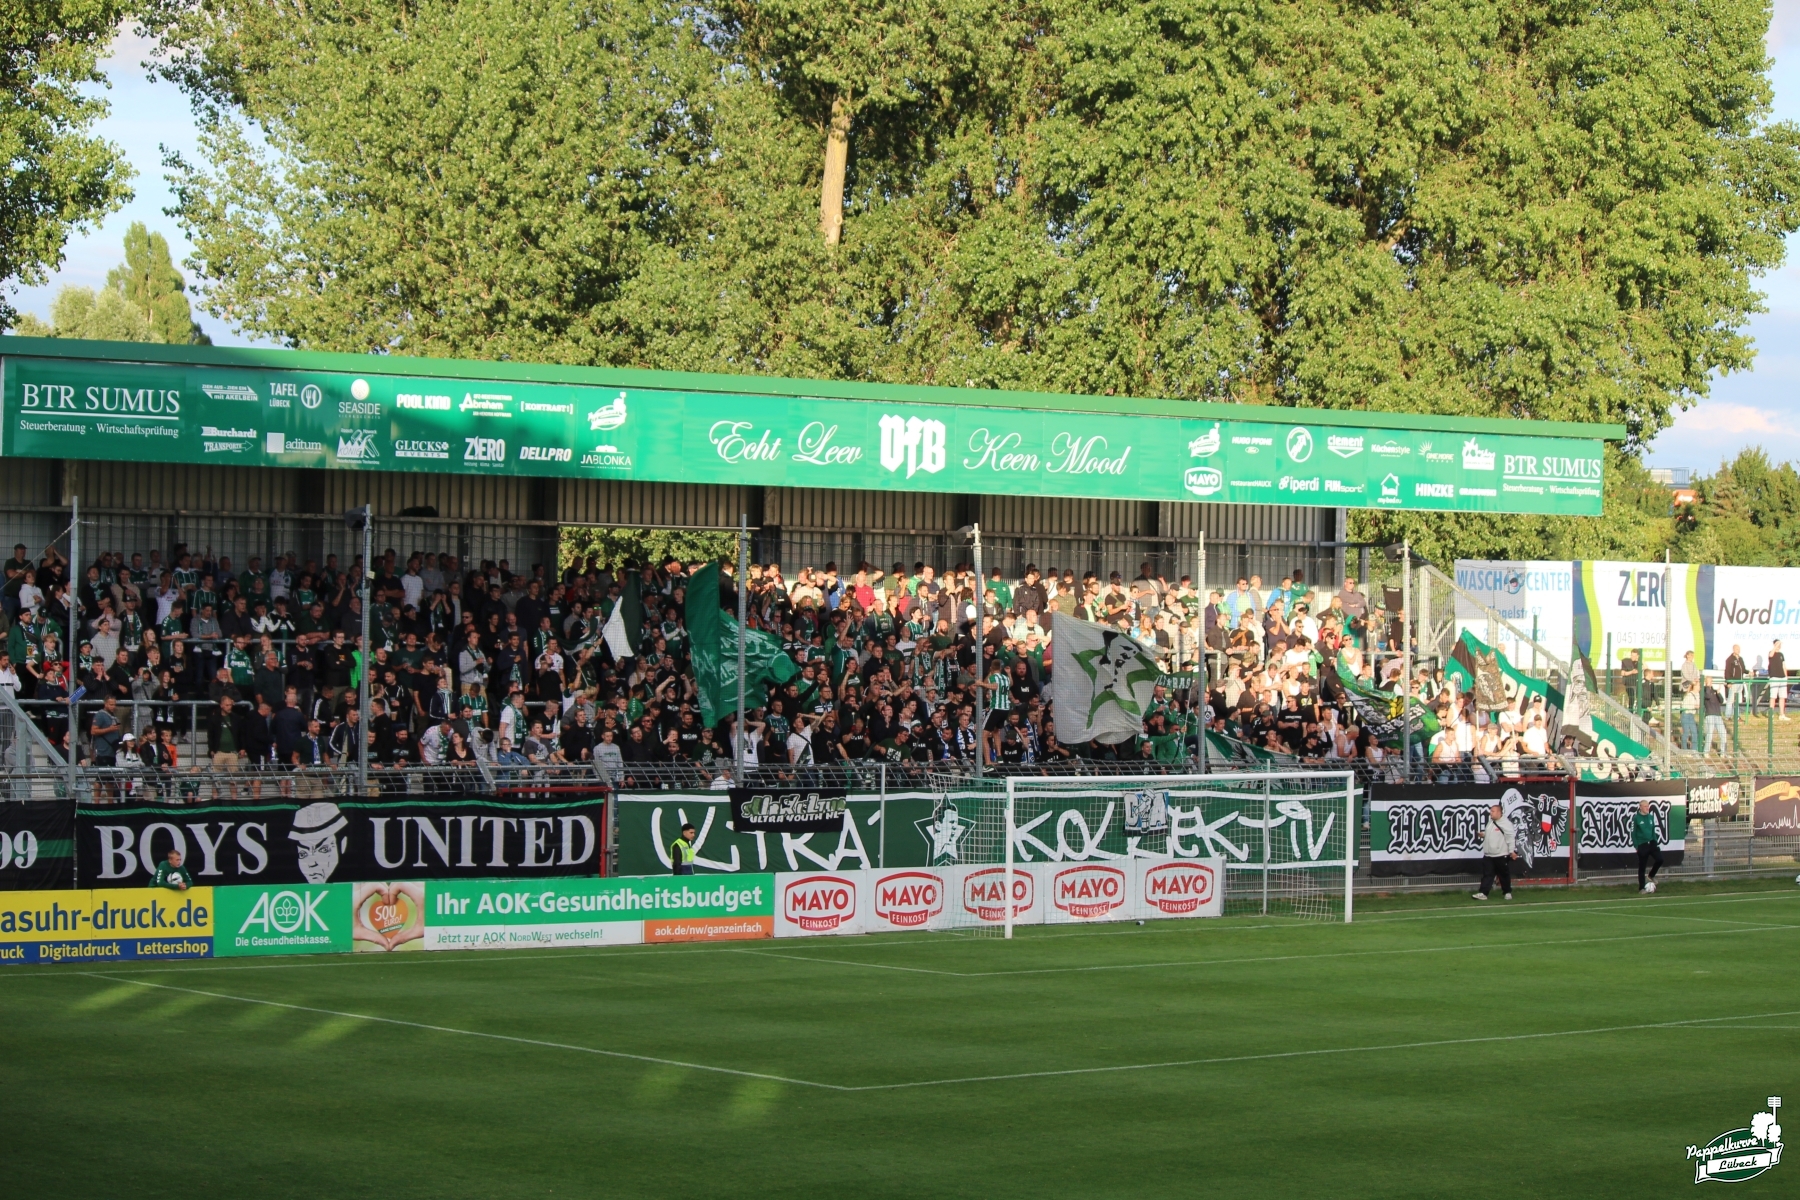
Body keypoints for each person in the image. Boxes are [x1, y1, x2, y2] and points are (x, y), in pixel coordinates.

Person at [1472, 803, 1516, 901]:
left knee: (1503, 875)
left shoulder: (1506, 823)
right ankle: (1483, 893)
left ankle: (1507, 892)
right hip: (1489, 855)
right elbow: (1490, 834)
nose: (1490, 813)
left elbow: (1510, 837)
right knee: (1487, 875)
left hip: (1501, 854)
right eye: (1490, 811)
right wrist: (1483, 834)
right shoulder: (1491, 822)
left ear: (1499, 812)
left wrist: (1511, 851)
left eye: (1493, 811)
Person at [1633, 799, 1663, 894]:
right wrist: (1636, 846)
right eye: (1645, 806)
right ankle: (1641, 888)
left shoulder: (1650, 817)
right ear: (1640, 807)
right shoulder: (1636, 818)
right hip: (1642, 844)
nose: (1647, 808)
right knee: (1642, 867)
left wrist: (1655, 841)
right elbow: (1633, 833)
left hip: (1652, 843)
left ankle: (1651, 875)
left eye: (1648, 806)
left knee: (1660, 859)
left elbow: (1653, 830)